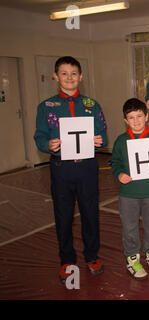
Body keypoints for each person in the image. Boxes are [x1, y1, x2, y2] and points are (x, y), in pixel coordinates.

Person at [34, 56, 108, 283]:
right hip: (61, 168)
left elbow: (104, 135)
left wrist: (99, 140)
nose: (69, 78)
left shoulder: (92, 105)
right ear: (56, 76)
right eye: (64, 73)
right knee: (63, 216)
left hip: (86, 167)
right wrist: (48, 145)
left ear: (81, 77)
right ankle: (66, 259)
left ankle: (92, 255)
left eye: (73, 73)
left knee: (90, 213)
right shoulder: (46, 107)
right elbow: (40, 136)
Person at [110, 98, 149, 280]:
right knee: (130, 228)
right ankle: (132, 259)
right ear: (125, 120)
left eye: (139, 116)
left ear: (147, 116)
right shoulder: (121, 141)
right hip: (128, 193)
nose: (136, 121)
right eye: (131, 117)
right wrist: (119, 174)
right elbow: (115, 163)